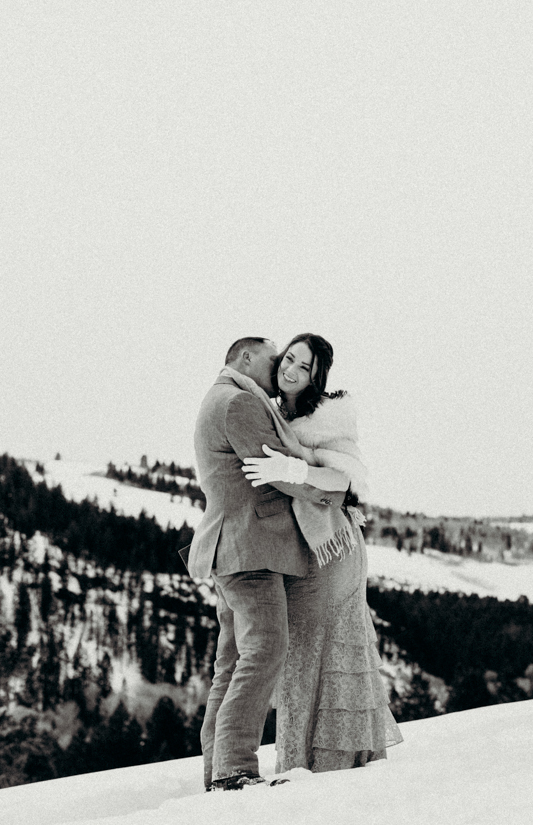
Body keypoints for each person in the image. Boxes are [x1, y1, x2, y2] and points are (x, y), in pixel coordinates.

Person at [186, 337, 353, 791]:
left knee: (234, 660)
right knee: (265, 650)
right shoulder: (239, 403)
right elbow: (276, 471)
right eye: (274, 356)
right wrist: (334, 489)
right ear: (245, 357)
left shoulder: (222, 397)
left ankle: (217, 770)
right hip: (247, 550)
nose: (280, 365)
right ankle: (234, 768)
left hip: (236, 548)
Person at [241, 333, 403, 773]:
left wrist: (294, 467)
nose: (291, 369)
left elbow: (349, 481)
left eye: (304, 367)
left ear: (317, 378)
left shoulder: (328, 418)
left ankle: (320, 765)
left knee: (321, 650)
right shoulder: (274, 412)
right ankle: (304, 761)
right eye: (289, 359)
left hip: (333, 552)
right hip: (303, 552)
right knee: (303, 653)